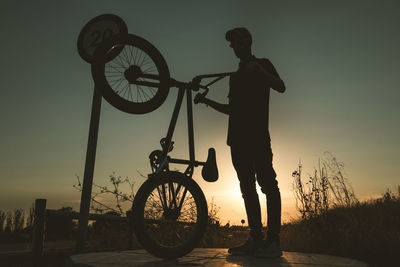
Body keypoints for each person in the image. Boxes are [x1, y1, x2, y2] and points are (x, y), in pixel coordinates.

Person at [194, 27, 285, 257]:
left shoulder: (263, 63)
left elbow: (281, 86)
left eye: (238, 41)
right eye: (232, 43)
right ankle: (255, 239)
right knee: (247, 188)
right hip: (236, 140)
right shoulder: (234, 77)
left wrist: (261, 72)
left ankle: (273, 242)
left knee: (268, 184)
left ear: (248, 41)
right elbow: (232, 110)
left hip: (258, 136)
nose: (235, 46)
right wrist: (206, 101)